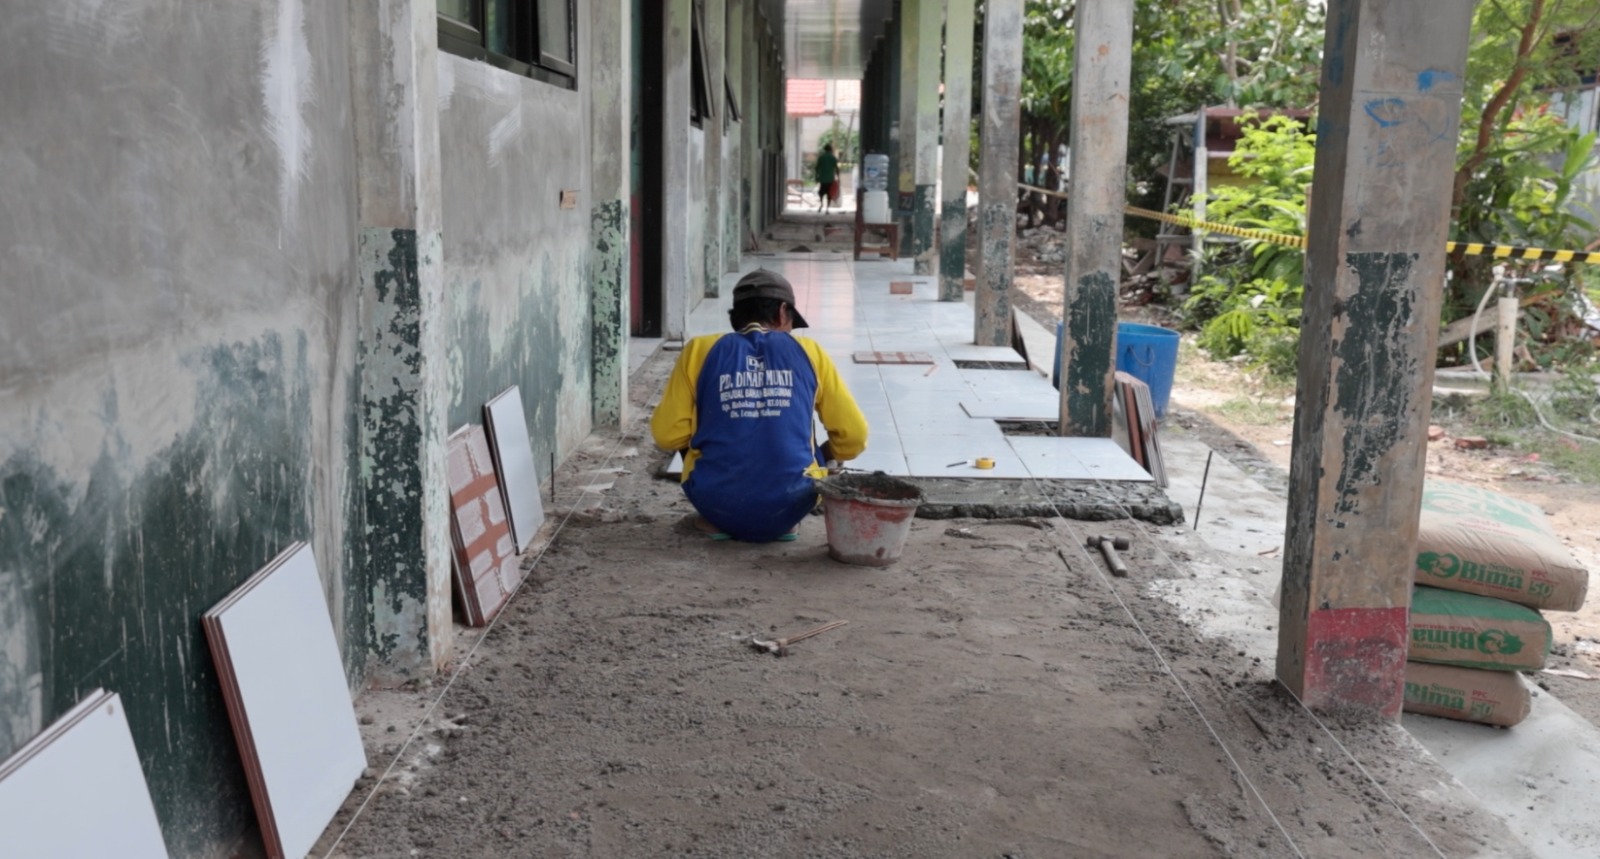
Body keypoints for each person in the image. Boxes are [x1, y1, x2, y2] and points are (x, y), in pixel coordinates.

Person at [651, 270, 868, 542]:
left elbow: (666, 433)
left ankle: (714, 519)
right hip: (794, 503)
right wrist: (827, 454)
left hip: (714, 500)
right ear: (782, 312)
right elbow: (855, 436)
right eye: (791, 322)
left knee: (696, 430)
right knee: (819, 447)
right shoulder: (810, 351)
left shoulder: (699, 350)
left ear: (737, 316)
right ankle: (786, 524)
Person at [814, 143, 839, 213]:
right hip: (830, 179)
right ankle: (827, 209)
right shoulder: (833, 158)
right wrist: (838, 177)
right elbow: (836, 168)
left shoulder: (821, 157)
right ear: (831, 150)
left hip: (822, 178)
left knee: (821, 192)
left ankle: (821, 204)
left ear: (824, 150)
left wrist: (816, 177)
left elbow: (817, 168)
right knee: (829, 194)